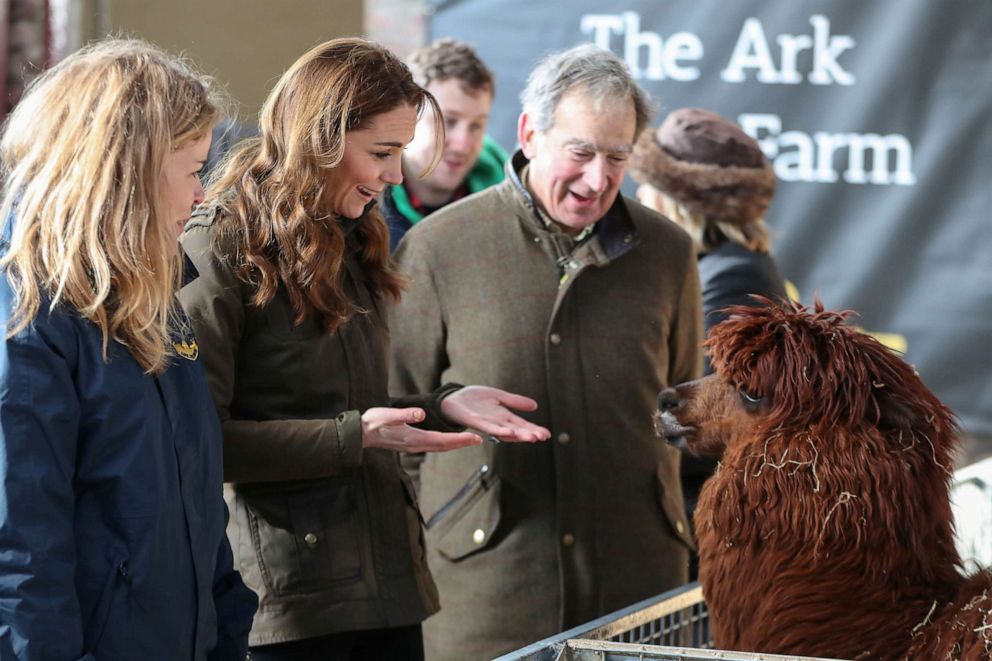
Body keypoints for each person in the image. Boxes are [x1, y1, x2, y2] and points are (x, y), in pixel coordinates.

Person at [178, 38, 549, 660]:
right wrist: (358, 436)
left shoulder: (354, 233)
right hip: (289, 603)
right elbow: (197, 442)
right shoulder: (220, 244)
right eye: (382, 152)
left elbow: (356, 412)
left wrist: (442, 405)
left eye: (401, 152)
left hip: (389, 588)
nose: (396, 175)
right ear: (319, 139)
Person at [389, 43, 703, 660]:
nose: (598, 179)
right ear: (530, 133)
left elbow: (684, 411)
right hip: (484, 592)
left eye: (618, 158)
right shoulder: (437, 248)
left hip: (637, 586)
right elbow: (396, 422)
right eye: (581, 152)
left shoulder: (669, 253)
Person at [0, 40, 257, 659]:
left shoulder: (151, 297)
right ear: (127, 171)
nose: (202, 196)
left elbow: (195, 508)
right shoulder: (29, 317)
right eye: (194, 169)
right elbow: (20, 558)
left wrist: (225, 635)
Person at [629, 107, 787, 557]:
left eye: (649, 185)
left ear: (673, 199)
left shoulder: (734, 282)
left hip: (712, 521)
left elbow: (699, 414)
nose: (639, 194)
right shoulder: (727, 267)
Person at [380, 38, 507, 252]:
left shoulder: (512, 206)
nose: (462, 144)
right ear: (408, 117)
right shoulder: (359, 205)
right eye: (448, 121)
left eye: (477, 126)